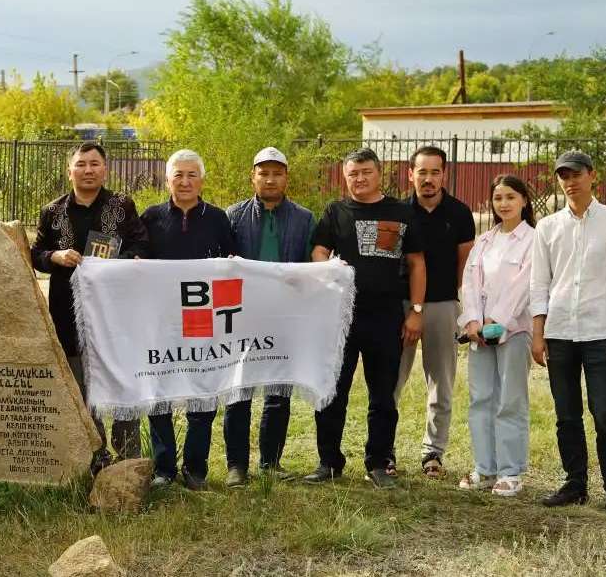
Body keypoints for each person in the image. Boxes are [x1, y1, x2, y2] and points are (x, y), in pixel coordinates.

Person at [305, 148, 426, 489]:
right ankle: (329, 461)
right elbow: (318, 250)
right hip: (340, 319)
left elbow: (417, 262)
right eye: (353, 174)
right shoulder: (336, 211)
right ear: (346, 177)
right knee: (332, 391)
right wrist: (326, 269)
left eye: (366, 172)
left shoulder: (401, 212)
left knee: (383, 395)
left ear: (379, 173)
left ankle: (379, 461)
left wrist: (416, 312)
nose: (359, 179)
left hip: (386, 318)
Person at [530, 150, 606, 516]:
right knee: (566, 414)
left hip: (600, 331)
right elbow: (539, 283)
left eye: (576, 174)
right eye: (563, 175)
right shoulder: (547, 227)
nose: (570, 181)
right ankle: (575, 483)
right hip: (560, 330)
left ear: (592, 175)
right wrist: (538, 332)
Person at [30, 141, 149, 474]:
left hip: (115, 315)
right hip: (68, 313)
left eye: (94, 164)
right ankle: (94, 457)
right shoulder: (52, 212)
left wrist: (112, 262)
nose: (88, 170)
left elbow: (141, 244)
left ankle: (128, 460)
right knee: (80, 386)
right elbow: (36, 253)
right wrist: (55, 256)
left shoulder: (122, 206)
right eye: (81, 164)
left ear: (105, 169)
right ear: (70, 170)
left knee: (122, 383)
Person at [141, 149, 235, 491]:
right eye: (178, 175)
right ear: (167, 180)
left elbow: (232, 264)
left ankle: (196, 468)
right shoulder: (150, 218)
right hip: (161, 322)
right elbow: (135, 263)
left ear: (202, 181)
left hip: (202, 321)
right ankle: (164, 468)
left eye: (191, 175)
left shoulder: (219, 219)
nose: (184, 181)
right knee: (158, 392)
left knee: (203, 392)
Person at [223, 147, 315, 486]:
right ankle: (236, 466)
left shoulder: (304, 218)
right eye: (264, 172)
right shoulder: (232, 216)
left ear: (286, 177)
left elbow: (312, 267)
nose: (270, 178)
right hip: (242, 317)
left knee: (278, 392)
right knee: (238, 391)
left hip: (284, 317)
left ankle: (270, 462)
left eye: (277, 172)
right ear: (253, 176)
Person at [393, 146, 475, 479]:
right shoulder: (397, 212)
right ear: (410, 173)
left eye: (435, 172)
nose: (428, 179)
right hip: (401, 306)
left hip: (442, 305)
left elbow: (465, 264)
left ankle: (433, 453)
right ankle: (385, 452)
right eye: (421, 172)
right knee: (391, 381)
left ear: (444, 174)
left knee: (440, 383)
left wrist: (458, 305)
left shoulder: (460, 213)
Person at [457, 175, 535, 497]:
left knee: (510, 400)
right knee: (481, 399)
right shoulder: (484, 241)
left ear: (524, 201)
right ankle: (485, 468)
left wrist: (496, 322)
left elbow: (524, 286)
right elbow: (469, 282)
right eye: (498, 197)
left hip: (513, 332)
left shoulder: (532, 240)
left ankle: (510, 471)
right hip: (479, 335)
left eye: (511, 197)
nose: (503, 203)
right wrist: (473, 320)